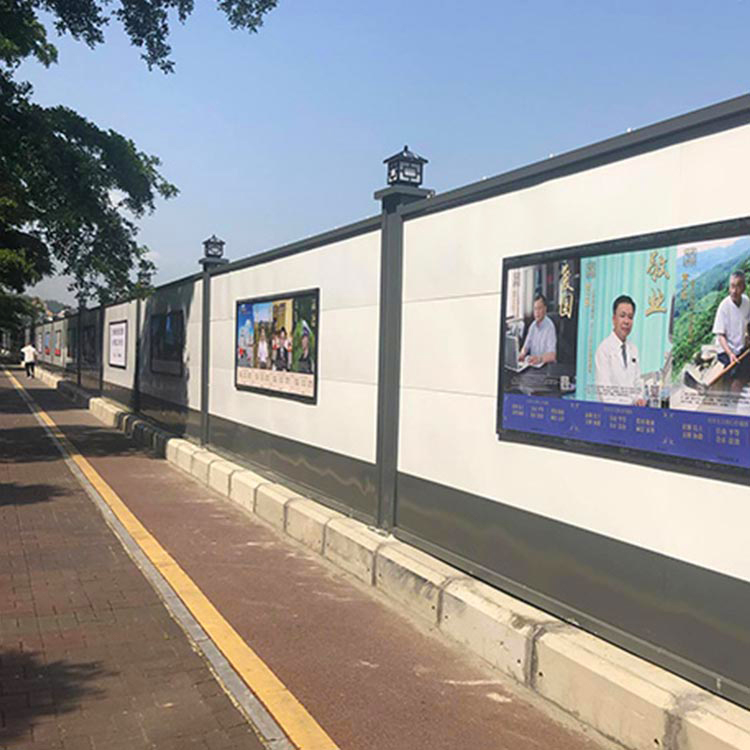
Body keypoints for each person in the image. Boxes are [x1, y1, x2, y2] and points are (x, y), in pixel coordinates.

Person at [594, 295, 646, 406]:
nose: (626, 321)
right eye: (622, 316)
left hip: (632, 412)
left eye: (630, 317)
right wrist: (629, 402)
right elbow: (605, 393)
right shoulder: (604, 349)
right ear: (614, 319)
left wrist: (639, 399)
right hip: (611, 412)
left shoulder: (633, 349)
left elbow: (637, 382)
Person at [712, 270, 750, 392]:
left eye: (738, 286)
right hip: (725, 351)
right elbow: (720, 336)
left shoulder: (746, 302)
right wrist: (730, 354)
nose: (734, 290)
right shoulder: (724, 306)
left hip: (740, 349)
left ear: (743, 287)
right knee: (734, 373)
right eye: (732, 286)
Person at [519, 293, 557, 365]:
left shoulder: (550, 327)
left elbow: (552, 356)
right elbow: (526, 346)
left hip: (545, 366)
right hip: (533, 365)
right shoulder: (532, 326)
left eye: (539, 308)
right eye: (535, 309)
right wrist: (522, 354)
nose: (537, 312)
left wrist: (539, 359)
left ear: (545, 309)